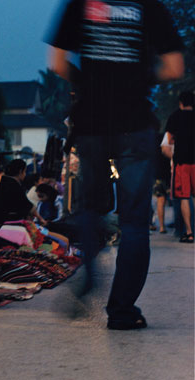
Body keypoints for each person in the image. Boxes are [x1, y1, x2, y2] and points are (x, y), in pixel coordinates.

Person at [48, 0, 184, 329]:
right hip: (135, 123)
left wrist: (88, 82)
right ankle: (122, 310)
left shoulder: (79, 4)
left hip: (92, 121)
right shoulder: (149, 5)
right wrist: (140, 78)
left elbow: (56, 61)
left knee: (90, 209)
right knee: (135, 221)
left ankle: (90, 274)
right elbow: (174, 67)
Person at [165, 91, 195, 243]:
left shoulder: (175, 117)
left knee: (184, 196)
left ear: (181, 103)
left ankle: (189, 232)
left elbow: (169, 141)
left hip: (182, 162)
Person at [0, 159, 47, 230]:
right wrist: (41, 219)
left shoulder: (5, 182)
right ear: (20, 171)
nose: (25, 174)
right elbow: (27, 205)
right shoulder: (13, 185)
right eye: (25, 171)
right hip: (6, 227)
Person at [152, 132, 172, 234]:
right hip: (168, 176)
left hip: (157, 176)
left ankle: (162, 226)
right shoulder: (168, 149)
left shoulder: (154, 151)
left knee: (161, 201)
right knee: (176, 200)